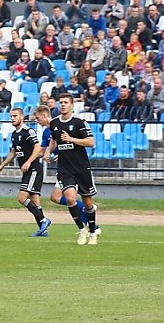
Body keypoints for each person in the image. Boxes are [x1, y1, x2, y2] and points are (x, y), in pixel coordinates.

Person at [44, 93, 99, 245]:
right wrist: (49, 152)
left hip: (81, 168)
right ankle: (82, 230)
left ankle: (94, 231)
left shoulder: (79, 122)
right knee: (70, 199)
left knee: (88, 203)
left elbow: (90, 142)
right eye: (61, 102)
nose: (62, 105)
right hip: (64, 168)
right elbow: (54, 139)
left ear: (72, 105)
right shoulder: (54, 123)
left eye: (66, 102)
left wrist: (72, 139)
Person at [0, 108, 52, 237]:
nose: (12, 118)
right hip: (28, 171)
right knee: (35, 201)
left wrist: (28, 162)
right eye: (11, 116)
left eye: (15, 116)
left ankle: (43, 220)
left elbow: (37, 147)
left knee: (22, 198)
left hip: (34, 169)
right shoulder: (14, 134)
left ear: (22, 117)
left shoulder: (28, 131)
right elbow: (14, 152)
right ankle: (43, 230)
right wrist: (2, 165)